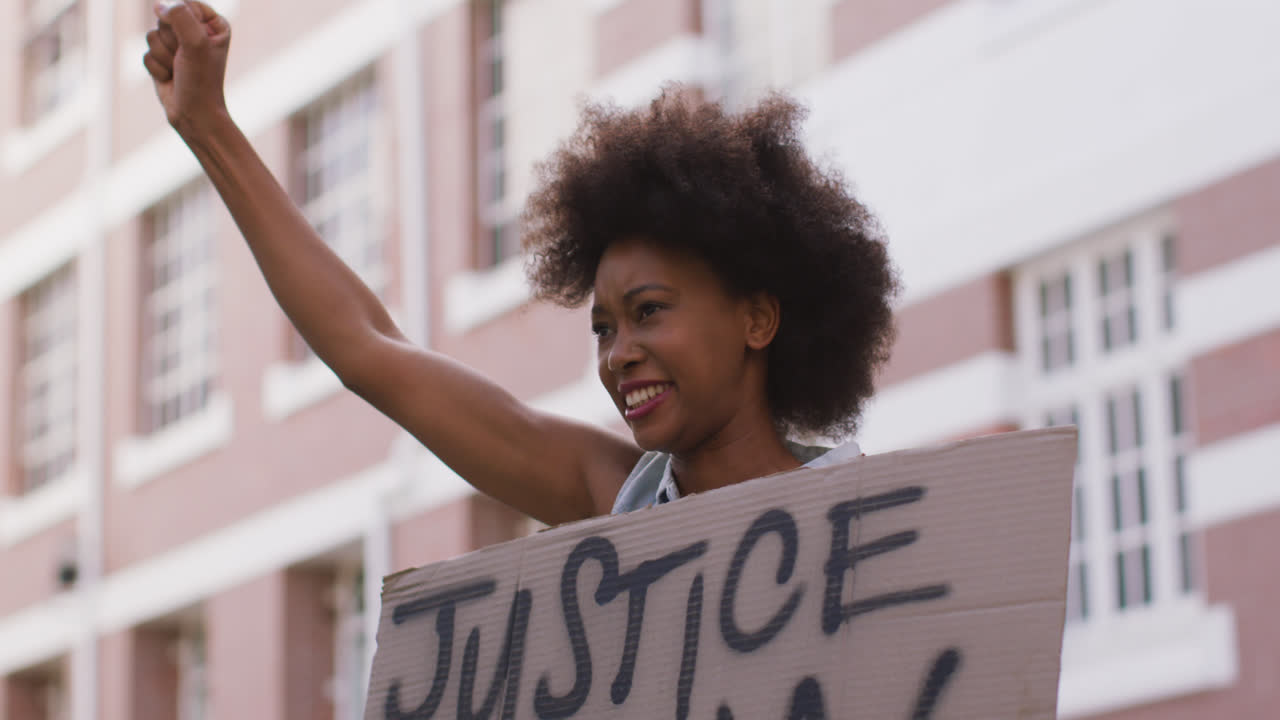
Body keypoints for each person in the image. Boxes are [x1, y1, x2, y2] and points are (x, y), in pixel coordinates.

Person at [142, 1, 899, 526]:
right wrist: (209, 129)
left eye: (649, 311)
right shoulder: (618, 499)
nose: (619, 353)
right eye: (603, 328)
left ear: (757, 319)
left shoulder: (878, 516)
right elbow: (366, 349)